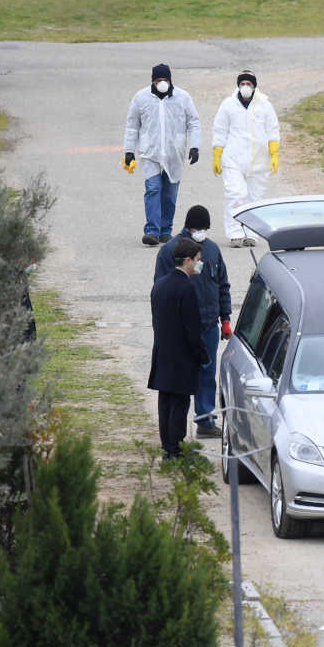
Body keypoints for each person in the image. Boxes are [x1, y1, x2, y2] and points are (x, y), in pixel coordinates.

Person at [155, 205, 232, 438]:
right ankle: (173, 430)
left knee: (207, 374)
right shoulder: (170, 251)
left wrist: (225, 318)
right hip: (182, 328)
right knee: (179, 378)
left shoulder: (212, 250)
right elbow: (161, 291)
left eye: (204, 228)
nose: (201, 232)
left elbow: (222, 284)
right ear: (188, 227)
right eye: (198, 228)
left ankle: (205, 421)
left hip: (208, 325)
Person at [123, 63, 201, 246]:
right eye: (159, 80)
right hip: (150, 152)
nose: (163, 83)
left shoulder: (182, 97)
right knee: (153, 188)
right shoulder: (141, 98)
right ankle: (152, 231)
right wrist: (129, 151)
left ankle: (166, 231)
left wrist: (195, 147)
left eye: (166, 80)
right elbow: (132, 125)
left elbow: (194, 122)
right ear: (153, 81)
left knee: (169, 194)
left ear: (170, 80)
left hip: (174, 154)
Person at [149, 238, 210, 459]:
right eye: (197, 260)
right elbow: (192, 329)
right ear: (187, 260)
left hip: (163, 352)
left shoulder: (160, 285)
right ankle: (176, 448)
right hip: (182, 356)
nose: (199, 264)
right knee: (179, 404)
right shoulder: (187, 288)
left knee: (165, 402)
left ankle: (168, 446)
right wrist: (202, 355)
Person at [212, 69, 280, 247]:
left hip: (259, 160)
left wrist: (274, 154)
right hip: (233, 158)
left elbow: (273, 130)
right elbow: (220, 130)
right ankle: (235, 233)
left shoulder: (265, 105)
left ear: (254, 86)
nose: (245, 87)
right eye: (242, 84)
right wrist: (217, 154)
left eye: (249, 84)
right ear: (238, 85)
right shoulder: (228, 105)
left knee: (254, 198)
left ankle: (251, 233)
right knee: (235, 195)